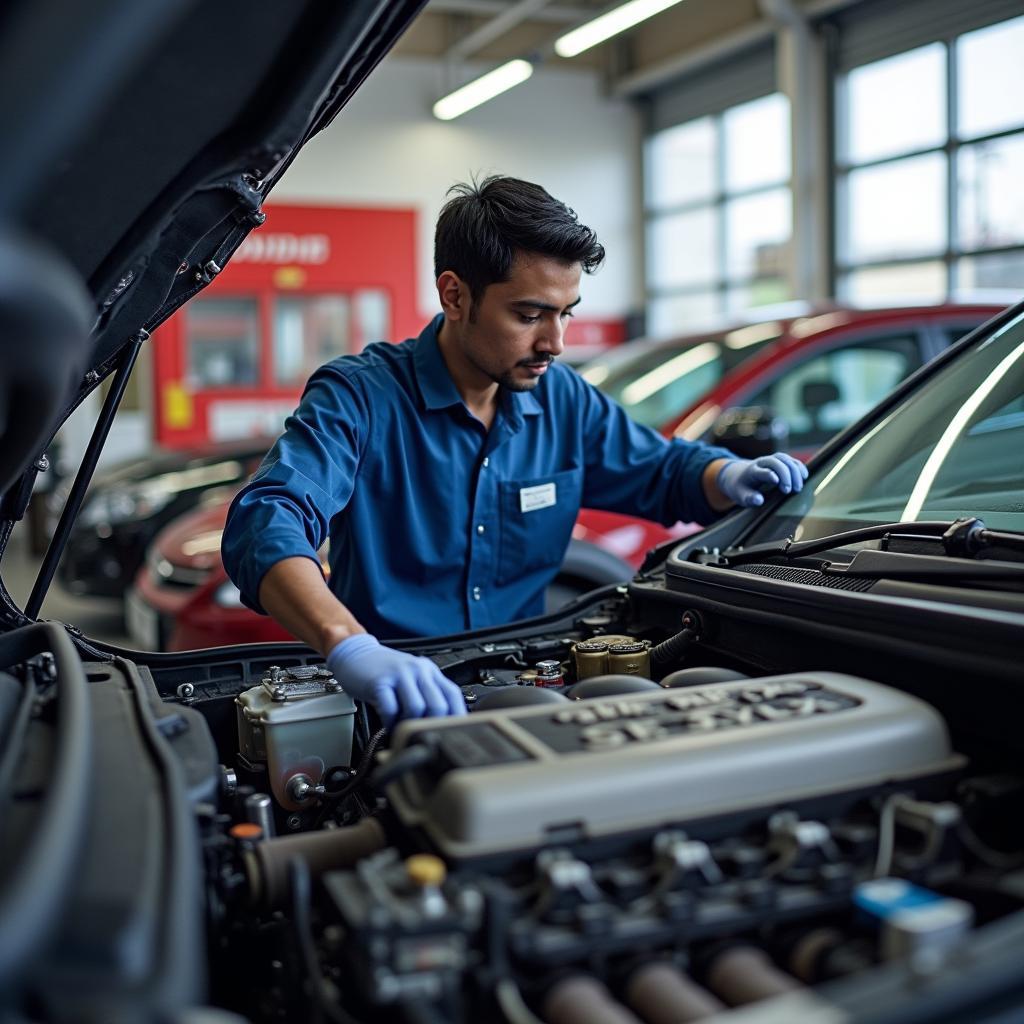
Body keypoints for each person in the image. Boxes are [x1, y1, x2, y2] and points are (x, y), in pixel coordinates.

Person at [221, 175, 806, 727]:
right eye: (529, 315)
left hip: (531, 684)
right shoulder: (361, 396)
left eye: (565, 314)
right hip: (397, 692)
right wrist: (349, 646)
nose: (554, 342)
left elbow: (660, 471)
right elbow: (267, 520)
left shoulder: (562, 399)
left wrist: (727, 474)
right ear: (455, 295)